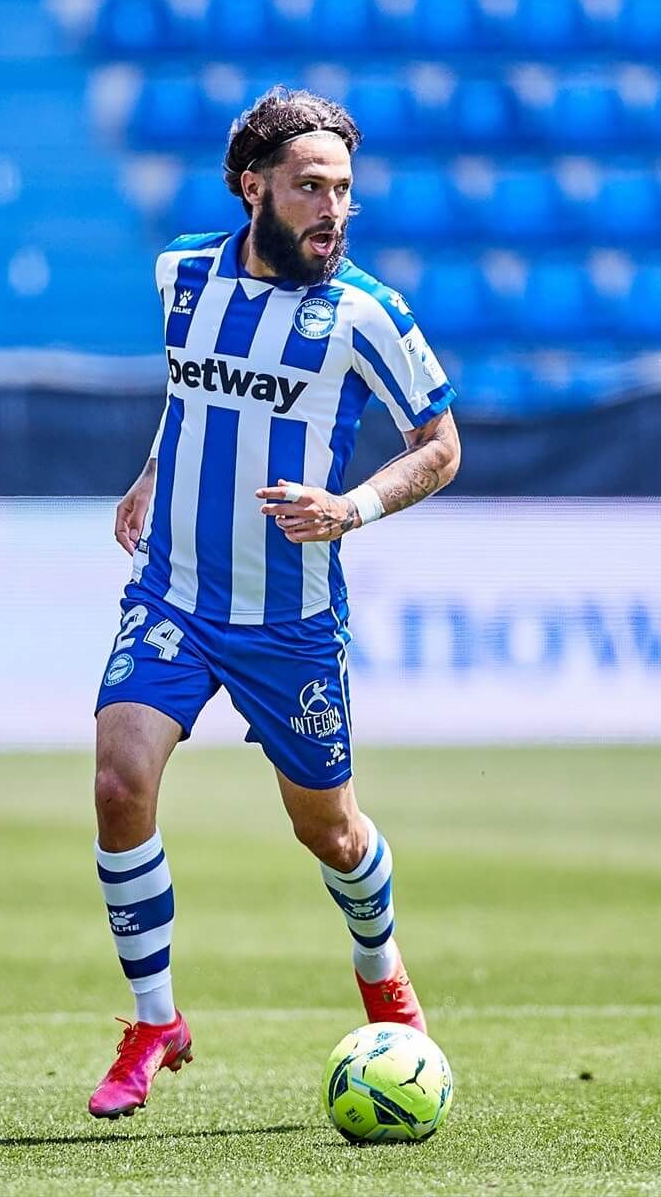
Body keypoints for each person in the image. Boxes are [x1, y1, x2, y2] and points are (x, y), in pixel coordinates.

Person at [85, 86, 464, 1119]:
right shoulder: (182, 274)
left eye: (342, 188)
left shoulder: (367, 316)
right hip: (174, 590)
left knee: (331, 835)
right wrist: (155, 471)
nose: (332, 207)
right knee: (122, 782)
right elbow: (193, 387)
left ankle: (381, 970)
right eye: (309, 187)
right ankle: (156, 1019)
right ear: (253, 189)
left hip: (290, 621)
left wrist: (352, 507)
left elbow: (440, 446)